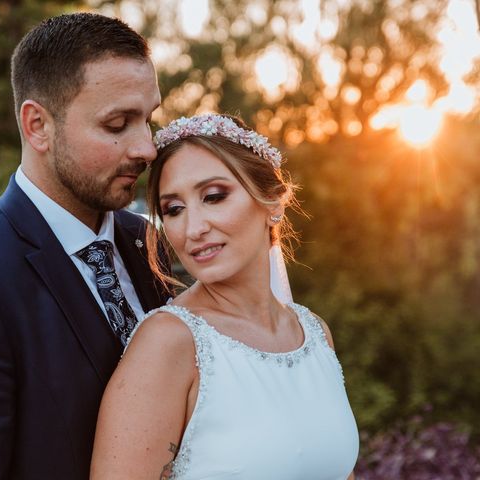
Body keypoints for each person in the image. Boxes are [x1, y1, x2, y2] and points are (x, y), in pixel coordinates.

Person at [0, 13, 171, 479]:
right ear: (37, 125)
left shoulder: (147, 241)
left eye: (149, 119)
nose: (146, 148)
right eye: (118, 123)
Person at [91, 113, 359, 479]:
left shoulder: (314, 334)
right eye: (174, 209)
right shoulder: (169, 344)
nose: (193, 229)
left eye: (214, 197)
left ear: (273, 202)